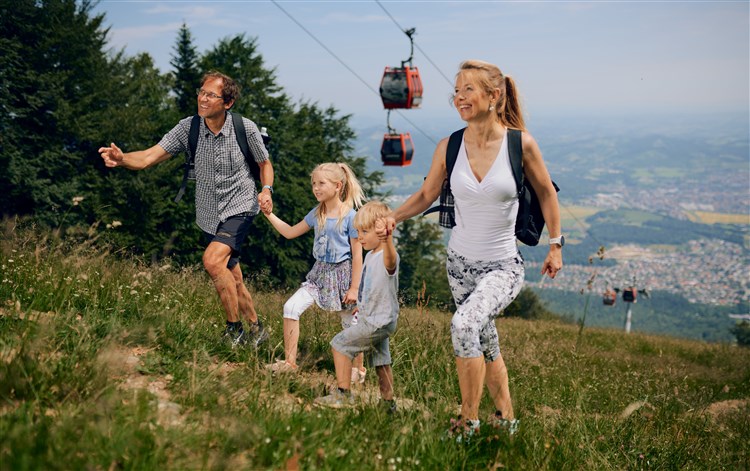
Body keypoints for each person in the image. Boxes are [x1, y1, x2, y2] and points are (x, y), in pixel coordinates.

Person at [380, 60, 563, 439]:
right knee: (485, 339)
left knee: (464, 325)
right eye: (457, 90)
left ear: (493, 96)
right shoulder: (451, 145)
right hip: (459, 265)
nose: (459, 97)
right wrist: (394, 217)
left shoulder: (519, 143)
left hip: (502, 267)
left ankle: (467, 421)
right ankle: (507, 418)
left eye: (468, 90)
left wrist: (555, 245)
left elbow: (546, 191)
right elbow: (427, 194)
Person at [98, 71, 273, 347]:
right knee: (232, 276)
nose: (203, 99)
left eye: (211, 95)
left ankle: (234, 331)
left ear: (227, 103)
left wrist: (266, 190)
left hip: (241, 206)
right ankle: (257, 329)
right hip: (208, 214)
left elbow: (264, 164)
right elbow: (147, 157)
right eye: (201, 92)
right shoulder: (188, 128)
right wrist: (121, 160)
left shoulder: (245, 128)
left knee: (213, 261)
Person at [262, 163, 366, 380]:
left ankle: (359, 370)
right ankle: (290, 363)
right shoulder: (317, 213)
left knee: (350, 323)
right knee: (290, 307)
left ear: (338, 186)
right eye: (313, 184)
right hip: (318, 274)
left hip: (344, 276)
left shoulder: (350, 216)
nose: (316, 188)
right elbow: (290, 232)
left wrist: (354, 288)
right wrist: (269, 214)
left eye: (321, 183)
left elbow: (358, 256)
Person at [314, 201, 399, 411]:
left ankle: (343, 395)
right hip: (376, 318)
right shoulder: (370, 255)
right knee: (381, 359)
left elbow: (390, 261)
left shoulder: (386, 256)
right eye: (358, 231)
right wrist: (362, 304)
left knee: (340, 345)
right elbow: (370, 286)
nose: (359, 236)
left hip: (377, 321)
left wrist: (387, 240)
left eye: (364, 231)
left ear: (380, 233)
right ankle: (388, 403)